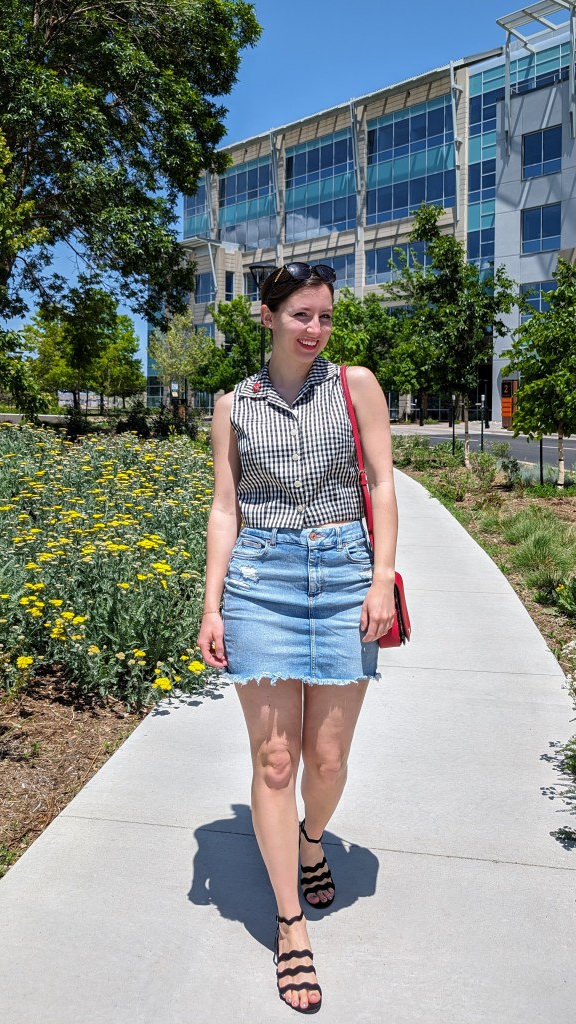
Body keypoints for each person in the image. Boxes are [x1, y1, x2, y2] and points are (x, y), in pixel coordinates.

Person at [197, 261, 398, 1014]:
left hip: (346, 574)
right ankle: (290, 928)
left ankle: (313, 840)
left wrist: (381, 578)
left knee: (327, 756)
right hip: (262, 581)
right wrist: (212, 605)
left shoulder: (356, 386)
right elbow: (225, 507)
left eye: (324, 317)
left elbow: (380, 483)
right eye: (300, 316)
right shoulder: (232, 406)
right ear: (267, 316)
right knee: (275, 762)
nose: (313, 330)